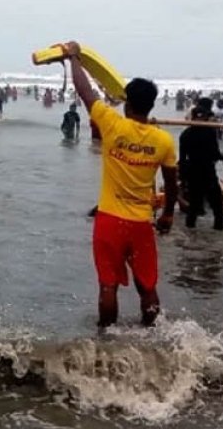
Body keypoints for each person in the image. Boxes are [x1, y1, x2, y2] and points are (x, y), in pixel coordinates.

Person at [66, 41, 179, 329]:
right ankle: (153, 337)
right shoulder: (163, 140)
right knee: (147, 286)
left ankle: (107, 342)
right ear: (151, 105)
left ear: (126, 103)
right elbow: (171, 184)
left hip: (109, 221)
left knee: (108, 286)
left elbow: (85, 92)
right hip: (140, 222)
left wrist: (73, 57)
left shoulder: (112, 125)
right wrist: (167, 214)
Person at [180, 106, 223, 230]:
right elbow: (215, 154)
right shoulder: (209, 132)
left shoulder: (185, 134)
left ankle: (190, 230)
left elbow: (182, 159)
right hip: (208, 172)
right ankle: (218, 228)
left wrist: (182, 178)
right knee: (217, 205)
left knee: (194, 205)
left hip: (192, 172)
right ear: (206, 118)